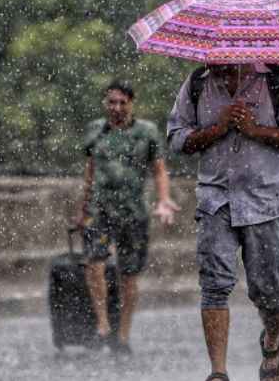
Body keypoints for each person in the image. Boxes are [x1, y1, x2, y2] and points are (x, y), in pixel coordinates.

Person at [167, 63, 279, 381]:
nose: (219, 61)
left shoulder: (275, 79)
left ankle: (272, 343)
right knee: (214, 285)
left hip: (265, 200)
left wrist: (254, 130)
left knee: (270, 292)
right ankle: (218, 372)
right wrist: (216, 129)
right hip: (215, 199)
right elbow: (177, 138)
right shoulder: (197, 82)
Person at [74, 80, 180, 355]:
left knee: (129, 275)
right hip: (99, 210)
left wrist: (164, 199)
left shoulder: (147, 132)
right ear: (105, 103)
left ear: (132, 104)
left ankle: (122, 334)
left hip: (133, 212)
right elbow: (90, 169)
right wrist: (83, 207)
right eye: (112, 102)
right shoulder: (95, 130)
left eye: (123, 102)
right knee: (94, 263)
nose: (117, 107)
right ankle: (102, 326)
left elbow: (159, 169)